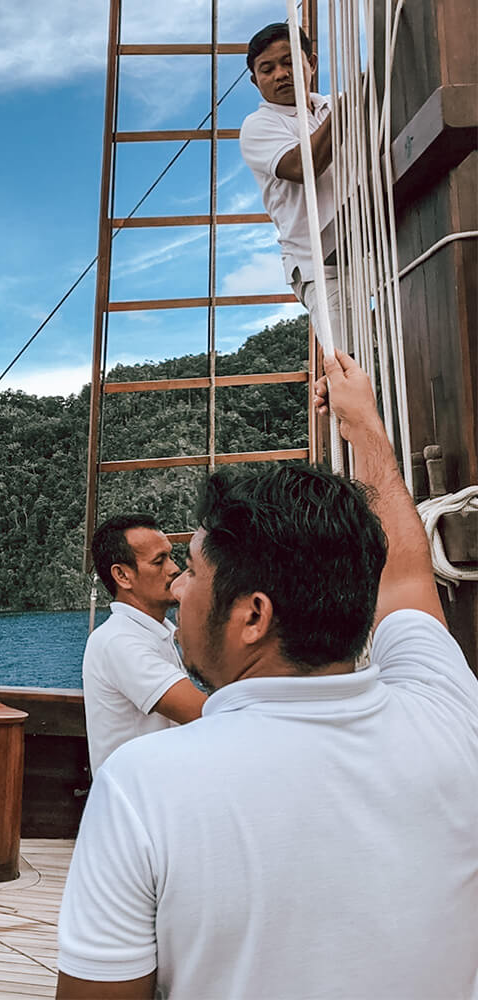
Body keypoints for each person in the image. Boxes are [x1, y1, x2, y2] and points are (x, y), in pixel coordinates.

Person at [56, 349, 478, 999]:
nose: (179, 582)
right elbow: (408, 576)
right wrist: (364, 427)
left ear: (253, 616)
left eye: (192, 568)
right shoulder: (451, 712)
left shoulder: (142, 792)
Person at [240, 22, 349, 351]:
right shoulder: (259, 125)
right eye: (267, 69)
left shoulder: (336, 105)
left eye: (289, 62)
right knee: (347, 362)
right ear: (255, 81)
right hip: (321, 267)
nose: (280, 74)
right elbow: (303, 165)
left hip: (380, 246)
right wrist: (352, 107)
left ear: (311, 63)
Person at [83, 515, 206, 774]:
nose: (174, 569)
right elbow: (203, 714)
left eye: (171, 557)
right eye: (159, 561)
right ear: (122, 576)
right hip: (136, 807)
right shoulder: (119, 641)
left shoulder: (151, 633)